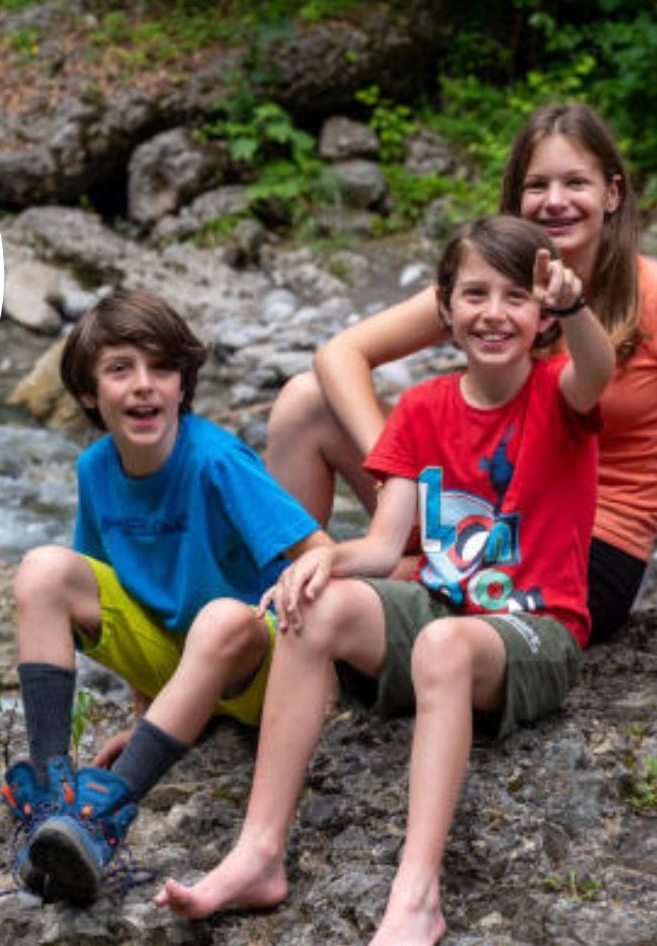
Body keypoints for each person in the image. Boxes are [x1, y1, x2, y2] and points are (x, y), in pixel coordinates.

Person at [155, 216, 614, 946]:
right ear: (443, 309)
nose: (493, 312)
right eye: (474, 294)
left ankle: (416, 892)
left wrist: (575, 307)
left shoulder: (557, 393)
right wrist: (323, 561)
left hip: (534, 630)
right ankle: (259, 851)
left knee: (441, 646)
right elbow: (383, 543)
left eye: (514, 297)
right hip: (442, 613)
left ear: (539, 319)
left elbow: (595, 370)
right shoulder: (424, 409)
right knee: (319, 604)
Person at [266, 103, 657, 643]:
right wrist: (395, 465)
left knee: (362, 592)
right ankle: (289, 607)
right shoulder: (491, 292)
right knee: (304, 402)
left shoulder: (648, 294)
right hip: (469, 507)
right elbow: (339, 353)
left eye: (576, 183)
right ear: (517, 198)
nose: (556, 201)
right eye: (537, 185)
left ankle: (340, 600)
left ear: (612, 194)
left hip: (583, 545)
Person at [1, 288, 325, 904]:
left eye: (162, 368)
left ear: (184, 385)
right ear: (90, 395)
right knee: (44, 569)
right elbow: (112, 587)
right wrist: (148, 710)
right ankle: (49, 799)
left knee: (221, 618)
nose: (144, 385)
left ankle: (100, 821)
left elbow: (316, 553)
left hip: (256, 665)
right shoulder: (96, 469)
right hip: (180, 668)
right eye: (121, 369)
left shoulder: (217, 460)